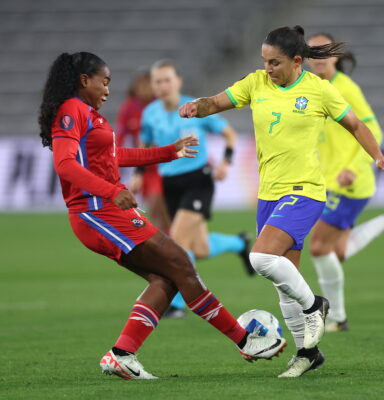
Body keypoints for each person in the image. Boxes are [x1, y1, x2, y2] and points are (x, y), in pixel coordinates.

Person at [38, 52, 286, 380]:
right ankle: (245, 341)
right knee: (180, 262)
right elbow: (65, 165)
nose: (108, 90)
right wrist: (112, 191)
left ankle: (122, 355)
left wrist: (168, 152)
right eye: (104, 82)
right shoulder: (71, 110)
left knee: (167, 278)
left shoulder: (90, 114)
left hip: (109, 210)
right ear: (85, 80)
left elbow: (114, 156)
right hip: (96, 212)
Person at [179, 25, 384, 378]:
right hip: (269, 194)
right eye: (264, 61)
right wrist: (195, 107)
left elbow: (356, 125)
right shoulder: (255, 84)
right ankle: (308, 353)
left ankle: (316, 305)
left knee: (260, 257)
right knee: (284, 282)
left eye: (275, 63)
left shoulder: (319, 90)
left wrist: (377, 156)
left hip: (306, 190)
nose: (268, 69)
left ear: (297, 61)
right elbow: (217, 102)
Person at [306, 33, 384, 333]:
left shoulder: (346, 88)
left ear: (336, 55)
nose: (319, 56)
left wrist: (354, 166)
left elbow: (372, 128)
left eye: (325, 50)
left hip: (349, 182)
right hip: (327, 180)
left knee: (320, 248)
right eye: (313, 51)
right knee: (338, 252)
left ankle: (337, 317)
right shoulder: (311, 88)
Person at [134, 59, 254, 318]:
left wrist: (225, 162)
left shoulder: (194, 107)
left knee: (176, 240)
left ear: (178, 81)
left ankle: (177, 304)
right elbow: (144, 146)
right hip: (170, 185)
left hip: (199, 180)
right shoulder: (150, 114)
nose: (163, 85)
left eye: (167, 80)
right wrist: (139, 173)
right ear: (152, 86)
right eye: (158, 81)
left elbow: (230, 134)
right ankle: (239, 243)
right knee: (199, 248)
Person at [116, 68, 170, 233]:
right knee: (158, 213)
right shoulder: (129, 107)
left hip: (162, 166)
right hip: (143, 166)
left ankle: (166, 247)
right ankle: (169, 245)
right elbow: (120, 136)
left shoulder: (160, 106)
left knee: (158, 209)